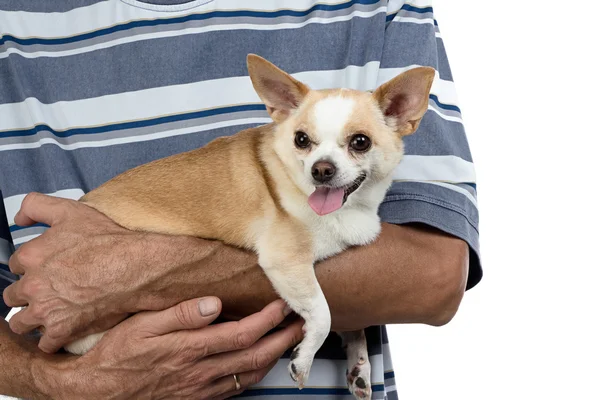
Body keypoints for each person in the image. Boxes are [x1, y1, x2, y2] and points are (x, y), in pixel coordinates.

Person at [0, 1, 481, 399]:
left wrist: (142, 270)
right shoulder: (12, 26)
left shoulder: (380, 11)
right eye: (306, 144)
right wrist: (62, 384)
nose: (323, 166)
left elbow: (436, 279)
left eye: (357, 143)